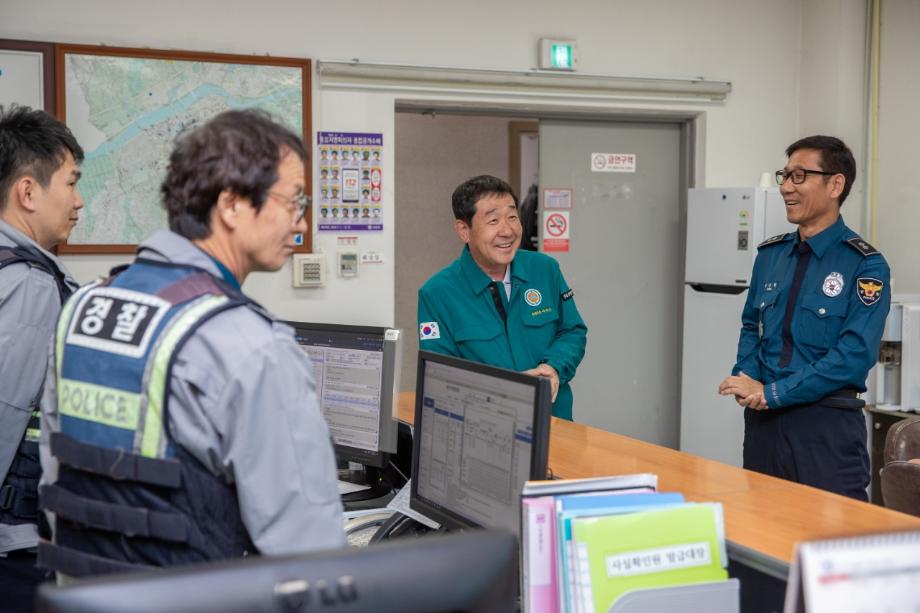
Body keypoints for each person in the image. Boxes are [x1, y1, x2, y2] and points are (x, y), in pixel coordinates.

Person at [38, 109, 345, 579]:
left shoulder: (84, 308)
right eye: (293, 201)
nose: (302, 223)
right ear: (231, 205)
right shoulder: (253, 347)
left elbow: (60, 486)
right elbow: (312, 563)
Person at [719, 135, 890, 501]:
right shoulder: (770, 255)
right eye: (784, 175)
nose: (785, 187)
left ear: (835, 184)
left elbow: (853, 356)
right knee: (761, 532)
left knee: (832, 545)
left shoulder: (864, 264)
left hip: (825, 426)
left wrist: (773, 393)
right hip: (764, 426)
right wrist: (747, 374)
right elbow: (753, 325)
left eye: (799, 176)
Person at [0, 105, 84, 610]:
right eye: (71, 183)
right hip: (14, 547)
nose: (78, 201)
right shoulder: (31, 287)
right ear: (28, 192)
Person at [418, 175, 587, 420]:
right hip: (485, 431)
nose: (507, 230)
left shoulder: (545, 269)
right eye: (493, 220)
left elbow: (572, 331)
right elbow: (440, 375)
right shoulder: (437, 293)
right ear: (464, 230)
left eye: (512, 217)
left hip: (553, 421)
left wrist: (553, 366)